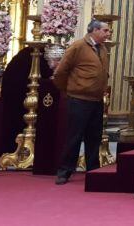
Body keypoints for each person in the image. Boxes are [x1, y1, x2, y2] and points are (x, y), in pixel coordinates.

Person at [53, 20, 112, 185]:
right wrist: (70, 90)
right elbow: (61, 72)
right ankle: (65, 171)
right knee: (74, 136)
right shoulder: (78, 46)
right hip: (79, 100)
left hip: (96, 100)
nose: (108, 34)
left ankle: (93, 171)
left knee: (94, 138)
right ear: (94, 30)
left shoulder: (102, 49)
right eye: (106, 30)